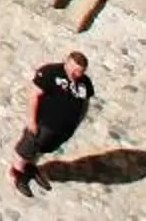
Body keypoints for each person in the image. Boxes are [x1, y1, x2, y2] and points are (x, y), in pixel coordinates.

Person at [13, 51, 95, 194]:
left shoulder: (84, 83)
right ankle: (18, 174)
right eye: (75, 70)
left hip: (63, 129)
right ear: (67, 64)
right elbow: (34, 95)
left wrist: (77, 122)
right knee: (28, 147)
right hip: (43, 123)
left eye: (80, 72)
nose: (77, 74)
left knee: (43, 149)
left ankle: (30, 167)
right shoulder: (51, 72)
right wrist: (32, 121)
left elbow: (85, 103)